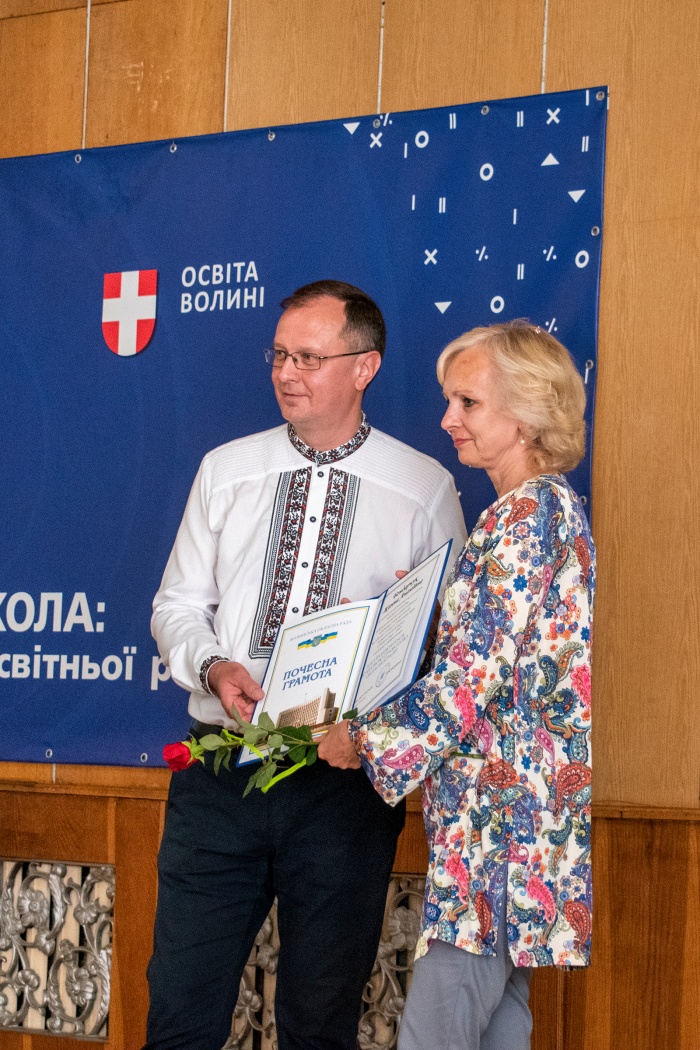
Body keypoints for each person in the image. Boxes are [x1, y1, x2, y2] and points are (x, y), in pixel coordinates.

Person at [146, 280, 467, 1050]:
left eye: (309, 358)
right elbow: (176, 604)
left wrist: (412, 635)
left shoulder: (423, 488)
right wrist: (213, 666)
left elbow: (456, 646)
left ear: (365, 367)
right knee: (180, 1011)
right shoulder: (226, 469)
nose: (287, 373)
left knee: (318, 1022)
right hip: (220, 776)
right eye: (280, 355)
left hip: (342, 785)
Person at [320, 320, 595, 1050]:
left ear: (526, 414)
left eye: (468, 402)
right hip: (516, 827)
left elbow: (466, 680)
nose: (447, 418)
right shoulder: (545, 508)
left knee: (435, 1035)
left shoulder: (522, 518)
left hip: (496, 835)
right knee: (500, 1026)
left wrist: (362, 740)